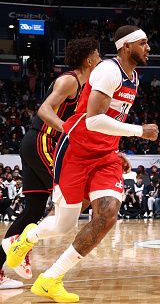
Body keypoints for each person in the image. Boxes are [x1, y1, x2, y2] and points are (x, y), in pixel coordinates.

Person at [6, 25, 158, 302]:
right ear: (126, 46)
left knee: (108, 214)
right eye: (144, 43)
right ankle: (25, 239)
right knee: (63, 224)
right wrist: (140, 131)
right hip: (75, 150)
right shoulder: (108, 71)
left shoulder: (133, 77)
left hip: (105, 154)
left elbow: (111, 122)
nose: (149, 48)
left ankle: (51, 278)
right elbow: (93, 120)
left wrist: (116, 149)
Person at [0, 38, 101, 290]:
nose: (101, 60)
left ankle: (3, 265)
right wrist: (67, 129)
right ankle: (22, 245)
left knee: (33, 210)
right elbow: (44, 110)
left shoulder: (87, 85)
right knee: (70, 197)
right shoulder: (70, 81)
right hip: (42, 141)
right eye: (98, 56)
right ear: (88, 59)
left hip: (38, 143)